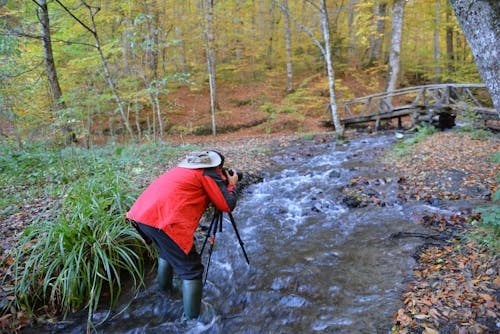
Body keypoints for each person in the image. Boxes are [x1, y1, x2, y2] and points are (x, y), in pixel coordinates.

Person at [126, 150, 239, 319]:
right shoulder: (208, 172)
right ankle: (194, 321)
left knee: (165, 253)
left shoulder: (183, 170)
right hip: (164, 222)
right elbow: (227, 205)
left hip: (142, 215)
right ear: (217, 166)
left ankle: (165, 294)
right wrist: (231, 184)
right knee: (192, 270)